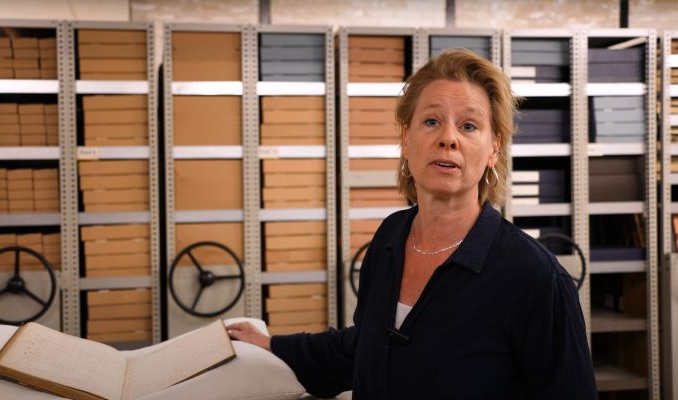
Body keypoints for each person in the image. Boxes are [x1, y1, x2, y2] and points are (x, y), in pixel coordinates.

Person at [227, 48, 597, 399]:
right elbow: (364, 347)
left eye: (469, 126)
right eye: (431, 121)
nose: (448, 139)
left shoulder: (536, 279)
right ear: (407, 139)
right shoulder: (390, 238)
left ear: (493, 149)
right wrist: (273, 345)